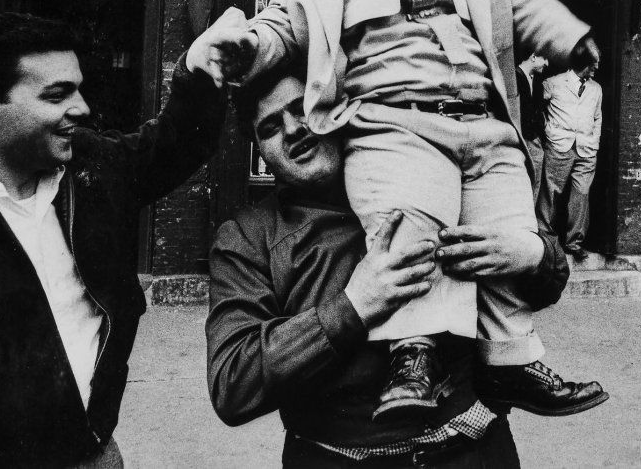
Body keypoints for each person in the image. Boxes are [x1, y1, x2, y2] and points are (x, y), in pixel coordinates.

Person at [231, 0, 605, 421]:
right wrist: (244, 49)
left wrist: (569, 39)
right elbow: (281, 25)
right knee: (410, 225)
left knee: (504, 226)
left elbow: (525, 4)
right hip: (396, 127)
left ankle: (509, 358)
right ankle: (413, 355)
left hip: (485, 127)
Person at [0, 8, 250, 467]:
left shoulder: (90, 167)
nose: (82, 108)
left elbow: (175, 145)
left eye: (78, 89)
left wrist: (199, 69)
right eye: (57, 95)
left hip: (93, 452)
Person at [207, 70, 600, 467]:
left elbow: (549, 280)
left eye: (304, 108)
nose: (294, 129)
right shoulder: (247, 237)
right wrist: (353, 307)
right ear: (257, 147)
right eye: (271, 127)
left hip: (474, 452)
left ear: (339, 106)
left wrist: (531, 254)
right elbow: (233, 384)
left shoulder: (429, 170)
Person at [536, 60, 602, 259]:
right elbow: (536, 108)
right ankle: (544, 237)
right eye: (593, 63)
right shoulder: (553, 83)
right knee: (551, 191)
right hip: (559, 144)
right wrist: (549, 130)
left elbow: (598, 117)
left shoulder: (596, 88)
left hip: (587, 148)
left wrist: (594, 139)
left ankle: (574, 242)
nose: (596, 68)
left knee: (581, 193)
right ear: (582, 61)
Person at [516, 52, 548, 197]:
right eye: (545, 59)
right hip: (520, 142)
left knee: (533, 185)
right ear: (533, 57)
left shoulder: (537, 82)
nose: (547, 63)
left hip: (533, 141)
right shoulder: (514, 78)